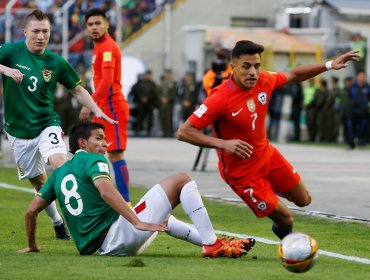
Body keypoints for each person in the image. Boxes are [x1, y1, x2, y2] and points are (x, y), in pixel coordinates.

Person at [177, 40, 359, 240]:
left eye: (256, 66)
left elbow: (296, 74)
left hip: (267, 155)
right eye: (246, 66)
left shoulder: (265, 80)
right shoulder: (219, 98)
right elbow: (184, 131)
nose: (252, 72)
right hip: (242, 173)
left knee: (304, 199)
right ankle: (289, 248)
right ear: (233, 68)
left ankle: (270, 191)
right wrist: (223, 144)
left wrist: (330, 65)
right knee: (286, 219)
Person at [18, 121, 255, 257]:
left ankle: (214, 244)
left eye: (105, 139)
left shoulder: (57, 174)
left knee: (163, 215)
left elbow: (30, 212)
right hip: (120, 235)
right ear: (82, 143)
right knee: (182, 179)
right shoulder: (93, 160)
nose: (104, 143)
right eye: (99, 138)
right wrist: (136, 221)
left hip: (105, 248)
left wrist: (32, 245)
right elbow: (105, 190)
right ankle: (212, 244)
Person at [0, 9, 115, 240]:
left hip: (47, 124)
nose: (41, 36)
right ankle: (57, 222)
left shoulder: (56, 62)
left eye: (45, 31)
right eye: (36, 31)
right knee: (40, 182)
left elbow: (78, 89)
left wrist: (96, 109)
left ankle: (86, 216)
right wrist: (6, 70)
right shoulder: (11, 51)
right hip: (18, 131)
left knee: (60, 166)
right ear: (25, 32)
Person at [79, 8, 131, 205]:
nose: (94, 27)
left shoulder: (107, 47)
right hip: (103, 105)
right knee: (94, 151)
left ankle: (125, 203)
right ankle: (102, 197)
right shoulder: (99, 47)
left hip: (113, 106)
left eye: (98, 23)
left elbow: (108, 80)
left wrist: (89, 103)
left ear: (107, 24)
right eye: (90, 24)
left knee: (115, 153)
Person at [158, 69, 176, 137]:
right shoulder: (161, 83)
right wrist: (161, 99)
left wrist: (168, 99)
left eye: (168, 74)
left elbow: (173, 93)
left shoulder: (173, 83)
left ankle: (169, 132)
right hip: (161, 103)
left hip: (169, 103)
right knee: (162, 118)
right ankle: (163, 131)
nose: (167, 75)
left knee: (169, 118)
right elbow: (158, 92)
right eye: (166, 74)